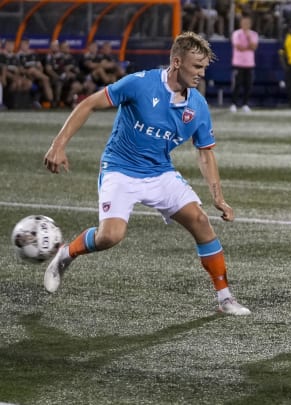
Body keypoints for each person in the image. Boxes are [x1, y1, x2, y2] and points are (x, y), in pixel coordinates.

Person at [42, 32, 250, 316]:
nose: (201, 73)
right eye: (196, 67)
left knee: (201, 222)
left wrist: (219, 198)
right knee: (110, 237)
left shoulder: (198, 105)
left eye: (204, 68)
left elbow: (205, 152)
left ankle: (225, 298)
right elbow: (89, 103)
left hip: (159, 172)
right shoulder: (140, 84)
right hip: (120, 169)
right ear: (177, 62)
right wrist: (58, 145)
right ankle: (66, 253)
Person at [230, 15, 258, 113]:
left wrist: (249, 38)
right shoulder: (236, 34)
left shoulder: (254, 34)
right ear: (241, 23)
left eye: (247, 23)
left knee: (248, 85)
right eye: (244, 23)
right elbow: (238, 47)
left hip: (249, 64)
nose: (245, 25)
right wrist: (249, 47)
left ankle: (245, 104)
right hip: (238, 63)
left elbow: (254, 47)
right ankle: (233, 104)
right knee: (237, 84)